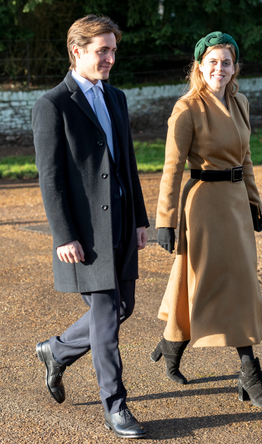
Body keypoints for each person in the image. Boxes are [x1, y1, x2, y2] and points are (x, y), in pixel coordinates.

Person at [33, 14, 148, 439]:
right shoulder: (52, 104)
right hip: (85, 234)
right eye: (102, 50)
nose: (110, 58)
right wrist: (64, 235)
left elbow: (128, 165)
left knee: (122, 308)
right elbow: (50, 177)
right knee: (104, 316)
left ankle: (56, 350)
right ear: (77, 51)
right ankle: (115, 407)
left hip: (121, 223)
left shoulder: (116, 98)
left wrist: (139, 220)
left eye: (113, 50)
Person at [152, 31, 262, 409]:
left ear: (234, 67)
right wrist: (165, 218)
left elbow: (246, 157)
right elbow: (172, 167)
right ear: (200, 67)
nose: (219, 68)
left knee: (212, 281)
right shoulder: (187, 108)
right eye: (212, 62)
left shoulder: (241, 102)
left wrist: (254, 202)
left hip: (237, 203)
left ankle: (172, 343)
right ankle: (249, 372)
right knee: (220, 282)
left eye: (226, 62)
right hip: (203, 206)